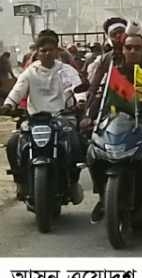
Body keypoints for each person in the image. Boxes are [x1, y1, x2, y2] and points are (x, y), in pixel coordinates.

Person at [86, 29, 142, 224]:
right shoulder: (114, 73)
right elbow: (101, 99)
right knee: (93, 153)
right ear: (123, 50)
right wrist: (89, 117)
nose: (133, 51)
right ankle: (102, 198)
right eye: (129, 47)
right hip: (115, 125)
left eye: (137, 48)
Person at [3, 33, 84, 204]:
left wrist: (81, 101)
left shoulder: (66, 71)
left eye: (51, 50)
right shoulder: (30, 72)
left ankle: (73, 180)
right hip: (34, 120)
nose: (47, 53)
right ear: (37, 52)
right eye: (43, 50)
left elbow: (77, 87)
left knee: (76, 142)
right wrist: (9, 105)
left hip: (62, 118)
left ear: (57, 51)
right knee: (13, 144)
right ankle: (20, 182)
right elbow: (18, 90)